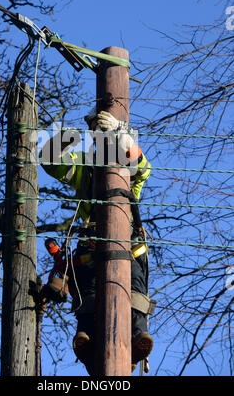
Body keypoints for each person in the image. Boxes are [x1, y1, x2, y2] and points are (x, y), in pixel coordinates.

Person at [40, 110, 154, 375]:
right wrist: (68, 137)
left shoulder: (126, 163)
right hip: (90, 244)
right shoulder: (85, 167)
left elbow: (142, 167)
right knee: (88, 291)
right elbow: (49, 161)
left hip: (130, 244)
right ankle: (87, 338)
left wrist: (119, 133)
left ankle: (138, 338)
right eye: (97, 132)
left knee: (134, 290)